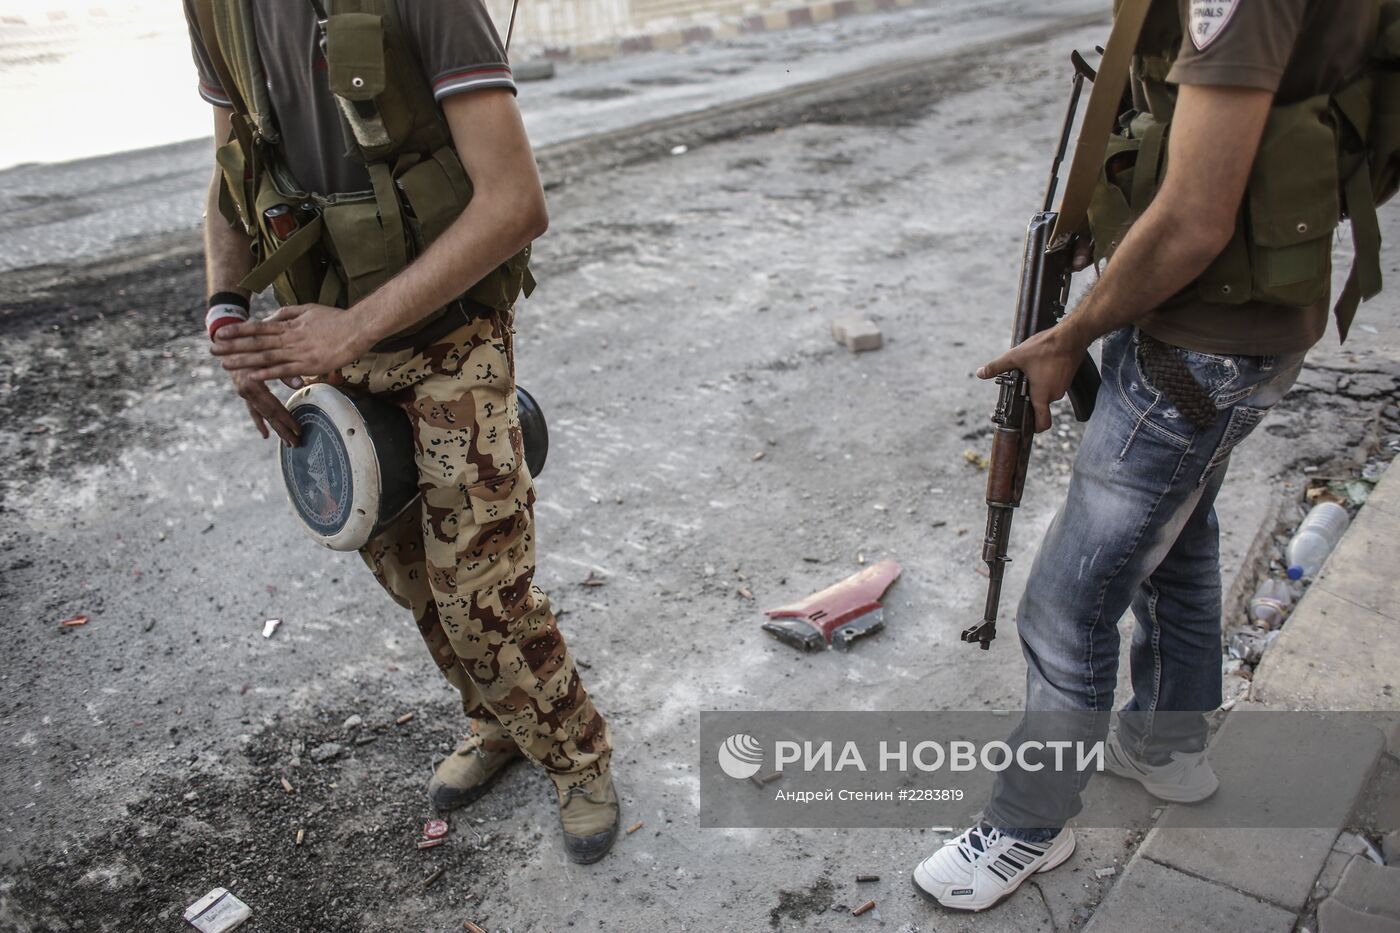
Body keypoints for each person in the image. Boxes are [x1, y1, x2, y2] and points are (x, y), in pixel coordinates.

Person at [912, 0, 1375, 911]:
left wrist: (1067, 336)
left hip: (1194, 345)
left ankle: (1026, 827)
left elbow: (1197, 217)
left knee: (1068, 603)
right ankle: (1165, 748)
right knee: (1180, 538)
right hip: (1243, 327)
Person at [182, 0, 619, 863]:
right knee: (409, 573)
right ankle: (495, 721)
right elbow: (232, 171)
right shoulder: (216, 9)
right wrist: (227, 312)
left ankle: (577, 756)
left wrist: (355, 326)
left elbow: (515, 204)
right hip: (331, 339)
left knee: (481, 596)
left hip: (450, 334)